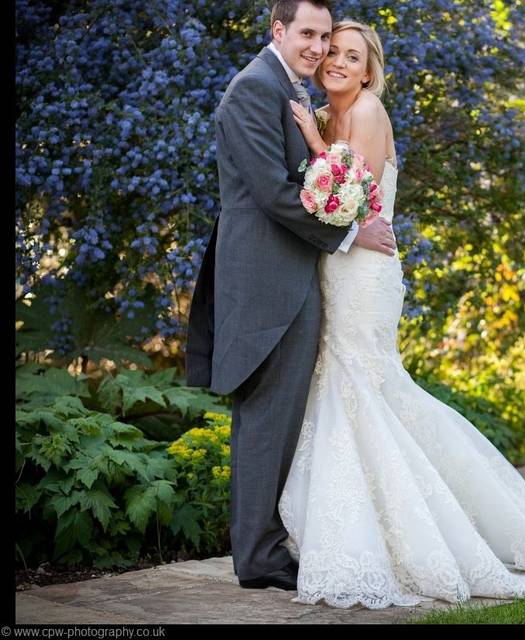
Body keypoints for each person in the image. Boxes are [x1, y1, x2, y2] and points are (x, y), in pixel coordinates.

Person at [278, 20, 525, 610]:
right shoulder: (320, 115)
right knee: (352, 388)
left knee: (363, 384)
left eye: (353, 56)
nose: (338, 62)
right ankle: (364, 524)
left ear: (369, 70)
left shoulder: (368, 112)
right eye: (333, 52)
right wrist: (314, 135)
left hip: (367, 274)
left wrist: (317, 145)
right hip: (336, 265)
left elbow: (364, 197)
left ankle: (409, 532)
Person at [184, 0, 397, 591]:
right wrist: (352, 231)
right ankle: (257, 557)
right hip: (265, 283)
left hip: (292, 274)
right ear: (279, 30)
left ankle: (270, 547)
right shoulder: (256, 89)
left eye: (325, 37)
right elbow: (278, 195)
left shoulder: (291, 91)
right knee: (265, 418)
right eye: (308, 34)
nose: (317, 47)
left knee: (282, 419)